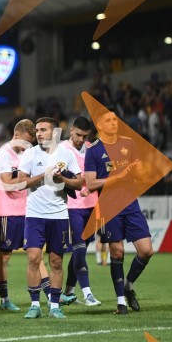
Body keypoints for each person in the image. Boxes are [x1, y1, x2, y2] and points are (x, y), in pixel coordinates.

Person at [85, 109, 155, 314]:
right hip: (109, 206)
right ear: (99, 126)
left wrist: (138, 172)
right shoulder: (94, 150)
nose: (114, 123)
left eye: (115, 119)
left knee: (146, 250)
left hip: (131, 204)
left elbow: (140, 173)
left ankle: (128, 286)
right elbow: (90, 183)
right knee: (118, 252)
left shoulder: (129, 143)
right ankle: (121, 302)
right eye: (108, 120)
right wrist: (119, 176)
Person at [17, 117, 82, 319]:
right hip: (35, 215)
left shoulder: (66, 154)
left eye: (43, 130)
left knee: (56, 262)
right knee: (34, 258)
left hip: (59, 216)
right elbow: (20, 182)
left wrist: (62, 179)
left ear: (54, 133)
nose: (38, 133)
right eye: (37, 130)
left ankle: (54, 306)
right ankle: (35, 304)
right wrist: (43, 176)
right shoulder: (30, 154)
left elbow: (80, 183)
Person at [0, 119, 36, 312]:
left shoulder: (27, 153)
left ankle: (48, 295)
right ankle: (5, 299)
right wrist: (33, 178)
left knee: (36, 253)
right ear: (16, 135)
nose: (27, 147)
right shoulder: (3, 154)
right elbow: (8, 183)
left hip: (28, 209)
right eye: (24, 142)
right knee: (5, 255)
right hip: (8, 210)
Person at [61, 117, 101, 307]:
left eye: (84, 136)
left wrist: (91, 188)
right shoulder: (61, 150)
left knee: (80, 251)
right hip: (72, 206)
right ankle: (87, 293)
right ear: (71, 130)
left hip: (92, 206)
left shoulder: (91, 149)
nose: (80, 139)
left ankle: (68, 291)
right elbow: (60, 178)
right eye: (77, 134)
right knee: (79, 248)